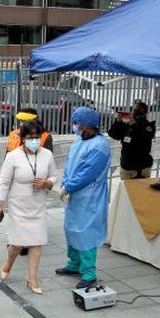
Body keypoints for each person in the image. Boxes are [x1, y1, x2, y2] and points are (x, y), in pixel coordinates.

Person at [0, 120, 57, 294]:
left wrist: (47, 183)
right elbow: (4, 182)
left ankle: (32, 277)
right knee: (17, 243)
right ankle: (8, 263)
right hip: (18, 205)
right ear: (23, 138)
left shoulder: (47, 155)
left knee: (37, 242)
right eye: (30, 137)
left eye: (37, 137)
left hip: (38, 205)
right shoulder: (13, 156)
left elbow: (54, 176)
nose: (34, 141)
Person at [55, 107, 111, 289]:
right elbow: (70, 164)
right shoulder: (79, 140)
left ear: (87, 125)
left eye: (77, 123)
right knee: (72, 229)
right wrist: (65, 183)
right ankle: (74, 264)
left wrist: (68, 187)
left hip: (90, 196)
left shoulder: (99, 146)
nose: (75, 127)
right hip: (76, 195)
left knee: (86, 232)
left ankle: (89, 273)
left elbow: (87, 173)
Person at [108, 101, 156, 179]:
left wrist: (135, 125)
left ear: (146, 113)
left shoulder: (149, 126)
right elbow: (114, 135)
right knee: (125, 190)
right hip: (126, 166)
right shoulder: (127, 126)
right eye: (135, 109)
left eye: (139, 109)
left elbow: (147, 136)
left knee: (140, 190)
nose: (136, 111)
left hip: (142, 167)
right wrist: (118, 122)